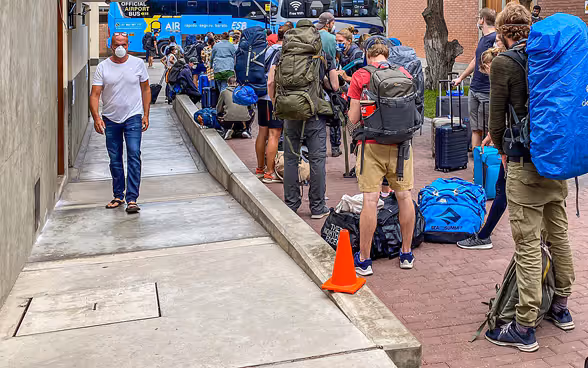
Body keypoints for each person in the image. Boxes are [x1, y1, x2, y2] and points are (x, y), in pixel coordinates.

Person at [484, 3, 575, 351]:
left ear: (505, 32)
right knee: (559, 235)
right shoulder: (549, 53)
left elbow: (495, 118)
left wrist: (504, 154)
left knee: (527, 245)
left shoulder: (505, 62)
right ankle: (561, 307)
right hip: (556, 158)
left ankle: (524, 326)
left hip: (525, 161)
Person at [348, 38, 415, 275]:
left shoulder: (360, 76)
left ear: (368, 55)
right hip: (401, 145)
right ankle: (406, 253)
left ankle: (364, 259)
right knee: (405, 196)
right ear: (387, 54)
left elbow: (354, 117)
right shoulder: (405, 72)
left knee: (370, 201)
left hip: (372, 144)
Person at [271, 21, 339, 219]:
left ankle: (291, 204)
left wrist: (279, 103)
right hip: (314, 112)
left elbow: (271, 81)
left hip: (290, 111)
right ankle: (317, 207)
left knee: (291, 158)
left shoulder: (282, 54)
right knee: (317, 160)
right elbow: (334, 85)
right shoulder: (322, 55)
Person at [89, 33, 150, 214]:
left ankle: (132, 198)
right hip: (110, 119)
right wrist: (96, 117)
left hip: (133, 117)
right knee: (115, 159)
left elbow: (145, 89)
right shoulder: (103, 67)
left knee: (133, 154)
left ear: (128, 44)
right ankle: (118, 195)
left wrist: (145, 114)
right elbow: (95, 94)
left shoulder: (138, 64)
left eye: (123, 43)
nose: (120, 47)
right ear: (111, 45)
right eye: (117, 44)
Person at [457, 46, 506, 250]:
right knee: (502, 190)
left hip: (514, 149)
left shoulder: (502, 79)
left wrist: (499, 144)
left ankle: (484, 235)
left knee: (503, 190)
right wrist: (490, 135)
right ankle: (485, 234)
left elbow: (501, 112)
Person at [452, 8, 496, 149]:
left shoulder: (495, 39)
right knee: (475, 128)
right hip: (474, 89)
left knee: (490, 129)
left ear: (482, 20)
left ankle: (489, 163)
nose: (477, 20)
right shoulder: (482, 39)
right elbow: (475, 60)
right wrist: (461, 78)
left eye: (478, 18)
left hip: (487, 91)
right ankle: (477, 164)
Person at [258, 24, 290, 183]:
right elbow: (272, 80)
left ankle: (260, 168)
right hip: (272, 97)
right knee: (274, 135)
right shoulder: (282, 52)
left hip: (261, 95)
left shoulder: (267, 49)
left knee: (262, 132)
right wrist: (274, 99)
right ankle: (270, 172)